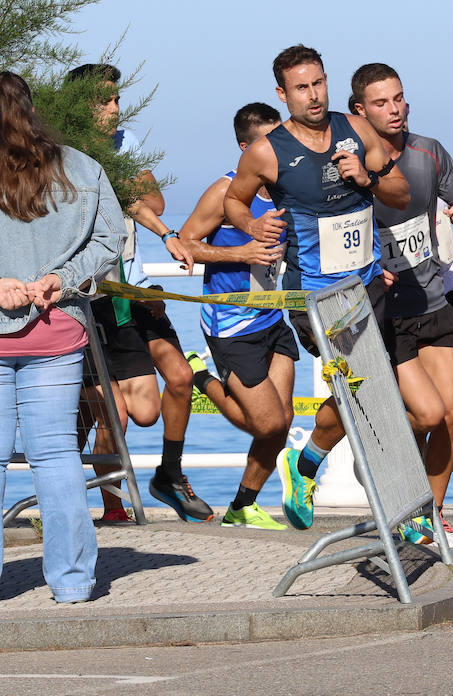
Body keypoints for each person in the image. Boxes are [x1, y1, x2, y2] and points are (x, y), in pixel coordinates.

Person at [225, 45, 409, 531]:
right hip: (316, 296)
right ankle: (398, 508)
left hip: (367, 283)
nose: (314, 95)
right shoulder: (268, 151)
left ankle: (304, 464)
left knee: (366, 390)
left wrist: (368, 178)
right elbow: (234, 202)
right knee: (367, 390)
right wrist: (253, 227)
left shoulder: (358, 130)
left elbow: (401, 194)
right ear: (283, 94)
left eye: (319, 83)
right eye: (302, 87)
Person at [349, 62, 453, 548]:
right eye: (382, 102)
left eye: (400, 98)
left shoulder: (429, 151)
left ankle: (431, 518)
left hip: (433, 297)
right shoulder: (348, 163)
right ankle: (380, 464)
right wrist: (367, 262)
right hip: (385, 311)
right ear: (360, 111)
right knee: (425, 415)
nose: (395, 109)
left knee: (450, 414)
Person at [65, 63, 208, 524]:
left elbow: (154, 201)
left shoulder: (126, 142)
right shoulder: (63, 153)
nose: (114, 108)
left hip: (136, 288)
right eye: (105, 100)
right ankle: (100, 499)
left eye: (116, 98)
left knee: (167, 390)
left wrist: (157, 222)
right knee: (111, 413)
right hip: (88, 297)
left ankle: (168, 474)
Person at [0, 70, 123, 602]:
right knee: (56, 457)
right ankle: (73, 583)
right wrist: (63, 280)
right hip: (57, 329)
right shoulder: (82, 166)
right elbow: (111, 239)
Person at [177, 103, 296, 530]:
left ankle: (242, 506)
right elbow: (186, 244)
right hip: (230, 326)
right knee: (266, 423)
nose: (279, 151)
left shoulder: (286, 189)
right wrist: (240, 252)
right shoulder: (222, 192)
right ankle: (201, 378)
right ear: (245, 149)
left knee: (283, 424)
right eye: (268, 143)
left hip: (271, 316)